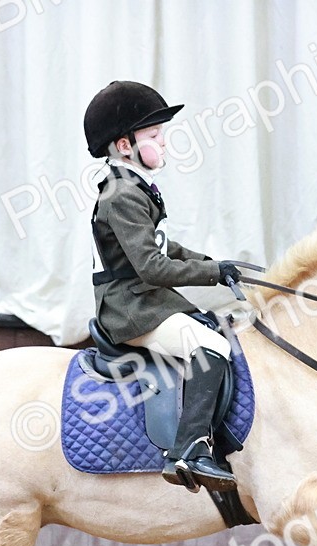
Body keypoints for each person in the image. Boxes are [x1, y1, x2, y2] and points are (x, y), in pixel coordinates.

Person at [83, 80, 243, 492]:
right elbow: (153, 266)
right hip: (130, 306)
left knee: (216, 330)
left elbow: (163, 244)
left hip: (145, 298)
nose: (165, 143)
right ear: (123, 146)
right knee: (213, 347)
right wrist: (211, 274)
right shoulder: (120, 196)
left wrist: (215, 265)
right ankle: (189, 450)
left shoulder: (136, 187)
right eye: (154, 135)